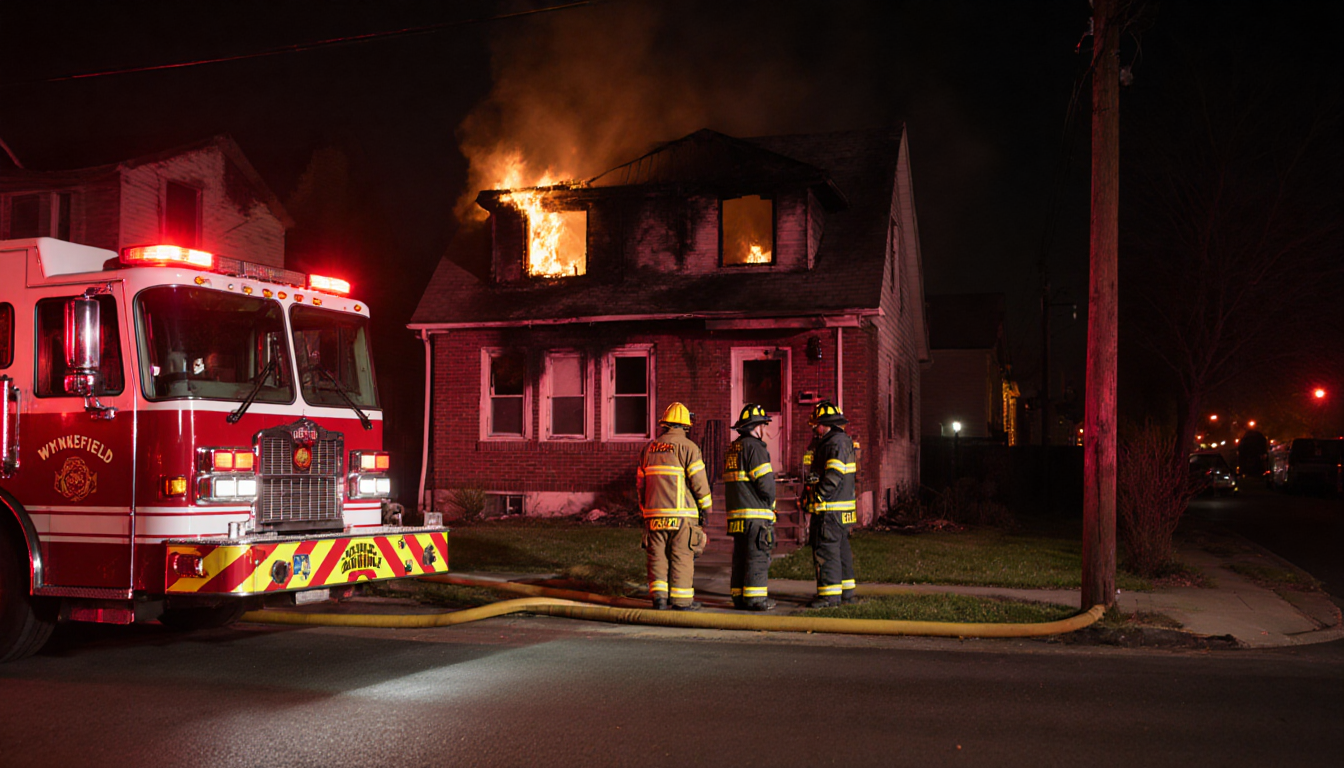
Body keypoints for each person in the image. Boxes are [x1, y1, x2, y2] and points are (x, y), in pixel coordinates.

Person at [636, 402, 712, 610]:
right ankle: (681, 601)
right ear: (685, 426)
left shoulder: (649, 448)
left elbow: (641, 485)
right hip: (682, 517)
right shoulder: (688, 448)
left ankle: (659, 598)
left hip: (654, 515)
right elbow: (699, 484)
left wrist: (645, 510)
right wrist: (706, 506)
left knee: (657, 557)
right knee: (682, 556)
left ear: (665, 424)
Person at [802, 400, 857, 608]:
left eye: (816, 425)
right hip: (839, 510)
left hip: (830, 510)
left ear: (824, 424)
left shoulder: (835, 443)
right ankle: (846, 592)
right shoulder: (840, 441)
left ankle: (829, 596)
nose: (815, 430)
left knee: (826, 551)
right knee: (840, 549)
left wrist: (818, 497)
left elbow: (833, 475)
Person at [724, 403, 777, 611]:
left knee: (740, 557)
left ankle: (739, 596)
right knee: (757, 555)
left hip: (737, 514)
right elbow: (766, 484)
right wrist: (771, 502)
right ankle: (755, 599)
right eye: (764, 424)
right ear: (757, 427)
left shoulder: (734, 448)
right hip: (755, 514)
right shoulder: (755, 448)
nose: (765, 429)